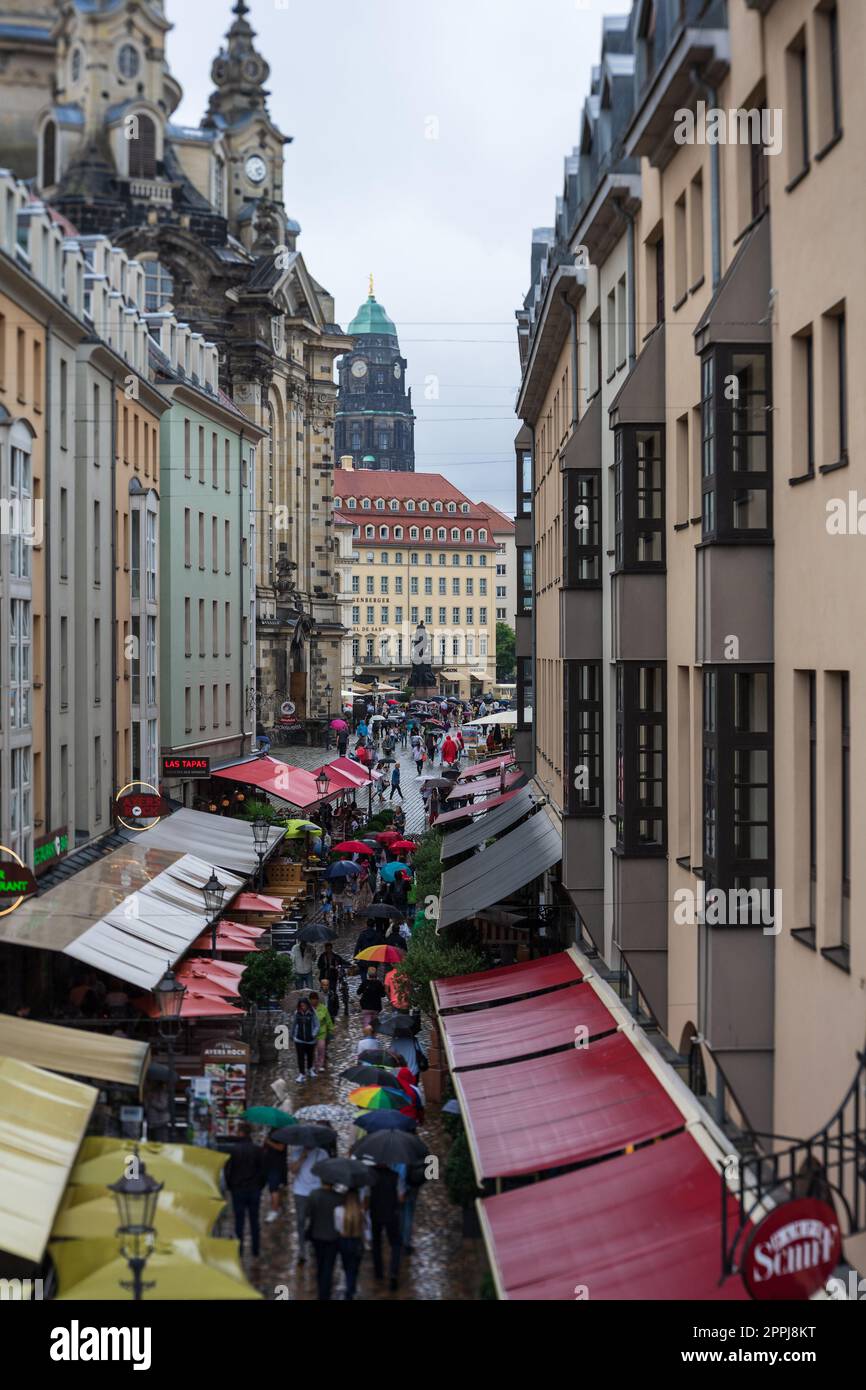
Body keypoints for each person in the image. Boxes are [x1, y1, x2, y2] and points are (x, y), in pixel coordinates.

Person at [223, 1123, 266, 1259]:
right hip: (254, 1190)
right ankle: (255, 1249)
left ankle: (239, 1250)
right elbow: (263, 1171)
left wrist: (230, 1185)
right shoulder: (257, 1150)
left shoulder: (234, 1150)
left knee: (239, 1221)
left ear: (241, 1133)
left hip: (238, 1190)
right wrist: (260, 1186)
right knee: (254, 1220)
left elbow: (227, 1171)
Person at [290, 1141, 329, 1265]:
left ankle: (313, 1244)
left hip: (316, 1192)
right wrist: (302, 1158)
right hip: (300, 1191)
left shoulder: (322, 1153)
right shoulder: (296, 1152)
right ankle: (302, 1249)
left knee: (315, 1221)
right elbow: (293, 1170)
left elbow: (326, 1173)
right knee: (300, 1220)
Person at [304, 1179, 343, 1300]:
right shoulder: (339, 1197)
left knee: (320, 1264)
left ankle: (322, 1291)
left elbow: (308, 1213)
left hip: (317, 1236)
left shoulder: (314, 1195)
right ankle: (325, 1293)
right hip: (333, 1237)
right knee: (329, 1266)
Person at [369, 1162, 403, 1290]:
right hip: (391, 1215)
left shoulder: (370, 1177)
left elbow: (366, 1197)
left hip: (376, 1214)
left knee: (376, 1243)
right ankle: (393, 1272)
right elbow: (400, 1197)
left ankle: (378, 1273)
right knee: (395, 1243)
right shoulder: (396, 1176)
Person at [335, 1189, 366, 1300]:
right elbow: (364, 1228)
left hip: (344, 1242)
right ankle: (351, 1289)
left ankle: (350, 1290)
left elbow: (337, 1228)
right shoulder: (360, 1212)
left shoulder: (339, 1210)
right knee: (354, 1268)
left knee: (347, 1267)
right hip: (357, 1242)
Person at [263, 1128, 288, 1224]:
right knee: (274, 1189)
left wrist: (268, 1142)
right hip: (271, 1165)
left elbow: (281, 1147)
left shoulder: (281, 1135)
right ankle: (277, 1206)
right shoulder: (271, 1133)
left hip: (276, 1166)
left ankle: (274, 1211)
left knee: (274, 1189)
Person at [291, 996, 319, 1082]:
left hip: (310, 1040)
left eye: (304, 1005)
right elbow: (294, 1024)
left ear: (307, 1005)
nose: (302, 1007)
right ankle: (301, 1074)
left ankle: (310, 1069)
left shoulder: (312, 1013)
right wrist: (292, 1035)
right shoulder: (297, 1013)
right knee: (300, 1057)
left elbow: (316, 1025)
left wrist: (313, 1034)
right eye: (301, 1005)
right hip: (299, 1039)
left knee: (310, 1056)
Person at [311, 987, 334, 1070]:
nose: (314, 1001)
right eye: (312, 999)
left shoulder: (323, 1008)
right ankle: (313, 1065)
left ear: (317, 1000)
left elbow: (328, 1019)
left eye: (315, 999)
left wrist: (331, 1029)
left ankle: (320, 1065)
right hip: (312, 1034)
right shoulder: (308, 1009)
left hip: (322, 1033)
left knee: (321, 1049)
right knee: (312, 1051)